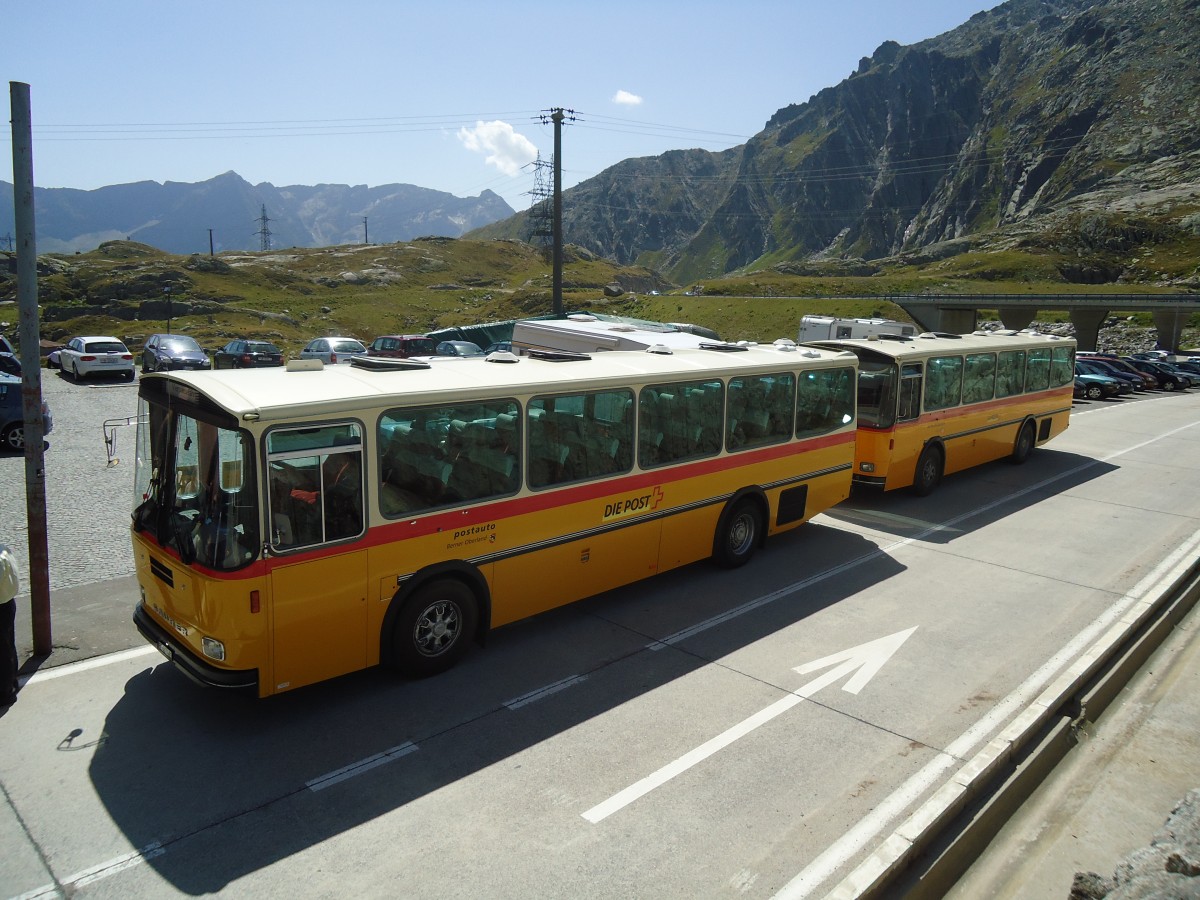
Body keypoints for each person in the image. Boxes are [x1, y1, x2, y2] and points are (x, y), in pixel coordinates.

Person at [0, 542, 20, 707]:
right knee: (7, 646)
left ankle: (5, 692)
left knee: (3, 651)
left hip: (1, 605)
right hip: (7, 603)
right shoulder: (4, 550)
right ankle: (12, 681)